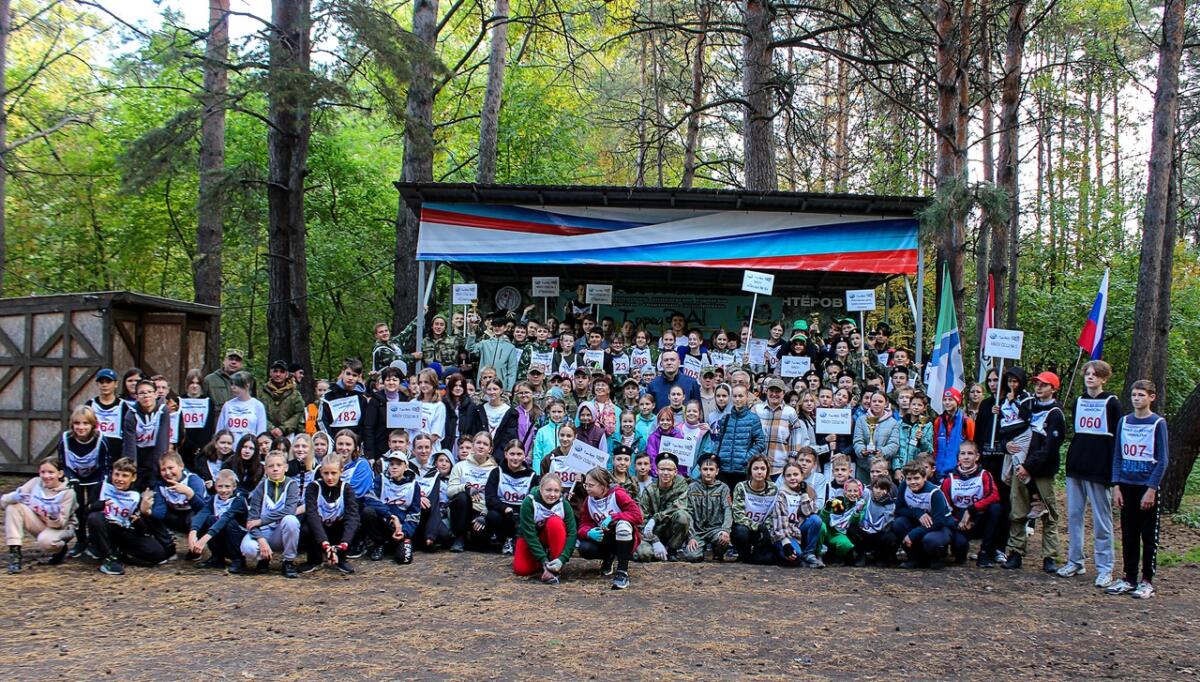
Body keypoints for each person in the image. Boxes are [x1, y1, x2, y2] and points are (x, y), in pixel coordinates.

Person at [1058, 360, 1122, 586]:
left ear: (1104, 379)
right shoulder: (1079, 401)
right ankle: (1075, 560)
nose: (1090, 377)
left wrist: (1115, 475)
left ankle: (1105, 568)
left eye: (1095, 374)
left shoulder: (1112, 403)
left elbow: (1117, 438)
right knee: (1074, 516)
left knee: (1101, 520)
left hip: (1099, 469)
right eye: (1087, 374)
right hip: (1076, 466)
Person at [1106, 380, 1168, 600]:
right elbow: (1117, 456)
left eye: (1141, 395)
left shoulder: (1157, 423)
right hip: (1126, 484)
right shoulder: (1124, 421)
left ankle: (1147, 580)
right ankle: (1128, 577)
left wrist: (1151, 488)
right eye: (1134, 395)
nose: (1136, 399)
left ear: (1151, 397)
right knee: (1128, 534)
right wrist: (1116, 485)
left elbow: (1162, 460)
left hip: (1146, 486)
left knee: (1148, 536)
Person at [1004, 371, 1064, 573]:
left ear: (1053, 389)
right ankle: (1015, 552)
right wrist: (1007, 444)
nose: (1039, 388)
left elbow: (1049, 447)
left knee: (1049, 513)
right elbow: (1012, 427)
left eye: (1044, 385)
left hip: (1041, 471)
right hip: (1019, 465)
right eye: (1037, 384)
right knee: (1018, 510)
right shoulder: (1029, 406)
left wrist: (1028, 466)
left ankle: (1049, 556)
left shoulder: (1056, 414)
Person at [86, 457, 173, 575]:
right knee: (94, 517)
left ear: (133, 477)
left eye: (125, 476)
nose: (119, 479)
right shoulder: (102, 487)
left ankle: (120, 552)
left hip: (125, 531)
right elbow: (86, 511)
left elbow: (143, 530)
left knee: (158, 554)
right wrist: (99, 505)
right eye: (116, 474)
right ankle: (108, 557)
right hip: (105, 527)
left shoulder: (136, 494)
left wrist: (138, 520)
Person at [4, 456, 77, 573]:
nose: (46, 476)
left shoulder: (68, 493)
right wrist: (14, 497)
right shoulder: (35, 483)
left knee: (46, 542)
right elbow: (3, 503)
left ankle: (60, 548)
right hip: (40, 523)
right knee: (13, 507)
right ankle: (15, 553)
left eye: (51, 472)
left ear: (60, 474)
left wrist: (53, 516)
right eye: (43, 472)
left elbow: (61, 523)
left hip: (62, 528)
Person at [576, 467, 643, 590]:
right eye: (586, 485)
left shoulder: (618, 494)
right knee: (584, 548)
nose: (587, 489)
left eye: (591, 485)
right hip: (605, 538)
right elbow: (584, 523)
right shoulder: (589, 500)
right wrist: (588, 532)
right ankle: (608, 557)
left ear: (602, 485)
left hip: (625, 538)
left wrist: (614, 517)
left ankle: (622, 572)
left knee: (623, 526)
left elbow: (638, 516)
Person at [239, 450, 302, 578]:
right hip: (265, 532)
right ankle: (264, 558)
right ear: (265, 469)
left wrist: (262, 520)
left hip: (281, 532)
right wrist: (261, 540)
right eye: (271, 466)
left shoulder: (292, 485)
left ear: (286, 467)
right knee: (247, 548)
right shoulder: (261, 488)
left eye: (279, 465)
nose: (275, 469)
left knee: (291, 520)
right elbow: (252, 520)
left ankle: (288, 561)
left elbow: (290, 510)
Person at [58, 406, 111, 558]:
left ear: (93, 424)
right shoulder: (65, 439)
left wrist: (101, 483)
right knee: (77, 508)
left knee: (93, 509)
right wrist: (71, 477)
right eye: (77, 423)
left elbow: (106, 465)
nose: (81, 427)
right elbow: (62, 463)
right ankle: (81, 540)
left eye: (85, 423)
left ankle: (95, 541)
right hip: (75, 476)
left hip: (95, 476)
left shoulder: (101, 440)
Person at [941, 440, 1003, 567]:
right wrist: (957, 522)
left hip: (978, 518)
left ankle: (985, 553)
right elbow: (944, 506)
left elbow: (994, 496)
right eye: (963, 454)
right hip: (959, 522)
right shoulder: (949, 479)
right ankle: (958, 549)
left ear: (977, 456)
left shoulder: (984, 475)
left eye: (970, 453)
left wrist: (971, 509)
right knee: (959, 551)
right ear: (958, 457)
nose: (966, 457)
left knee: (996, 508)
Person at [300, 453, 360, 574]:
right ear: (321, 472)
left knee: (354, 525)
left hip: (337, 529)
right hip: (320, 530)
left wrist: (345, 543)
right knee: (307, 528)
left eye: (334, 473)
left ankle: (341, 558)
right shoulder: (313, 487)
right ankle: (314, 559)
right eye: (326, 473)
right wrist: (324, 543)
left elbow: (352, 516)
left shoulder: (346, 489)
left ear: (341, 471)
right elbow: (312, 515)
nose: (330, 477)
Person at [514, 473, 576, 583]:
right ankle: (545, 561)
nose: (552, 494)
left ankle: (556, 567)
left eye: (556, 491)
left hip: (549, 536)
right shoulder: (529, 502)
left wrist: (562, 559)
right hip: (532, 538)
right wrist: (543, 561)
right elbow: (529, 535)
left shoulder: (564, 504)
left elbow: (572, 533)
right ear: (541, 489)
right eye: (548, 490)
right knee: (521, 570)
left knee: (555, 522)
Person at [362, 451, 421, 565]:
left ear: (406, 466)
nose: (394, 467)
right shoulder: (381, 479)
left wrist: (403, 531)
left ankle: (397, 543)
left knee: (404, 559)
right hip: (384, 522)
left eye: (398, 464)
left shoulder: (414, 485)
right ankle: (378, 544)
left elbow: (414, 514)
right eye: (392, 464)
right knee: (367, 512)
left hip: (400, 527)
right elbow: (369, 498)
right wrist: (390, 515)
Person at [892, 461, 954, 569]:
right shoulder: (903, 487)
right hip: (919, 521)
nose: (912, 482)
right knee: (899, 523)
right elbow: (899, 509)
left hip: (940, 526)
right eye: (909, 479)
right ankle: (914, 558)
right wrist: (918, 512)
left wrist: (913, 533)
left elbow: (939, 521)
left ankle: (936, 559)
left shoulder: (934, 493)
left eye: (916, 478)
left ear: (924, 478)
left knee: (930, 540)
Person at [447, 431, 499, 552]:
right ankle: (459, 537)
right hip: (462, 509)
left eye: (485, 444)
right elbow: (449, 491)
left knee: (478, 542)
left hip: (481, 511)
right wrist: (466, 488)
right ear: (473, 446)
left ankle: (472, 536)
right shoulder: (460, 466)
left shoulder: (495, 470)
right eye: (478, 442)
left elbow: (495, 497)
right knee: (462, 497)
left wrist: (484, 515)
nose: (481, 446)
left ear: (490, 449)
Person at [484, 440, 538, 556]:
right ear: (506, 454)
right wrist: (504, 508)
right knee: (492, 515)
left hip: (523, 513)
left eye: (519, 454)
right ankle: (505, 540)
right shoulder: (496, 472)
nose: (515, 458)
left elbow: (535, 499)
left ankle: (520, 542)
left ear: (524, 455)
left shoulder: (532, 475)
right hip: (503, 512)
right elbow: (490, 498)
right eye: (512, 454)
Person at [188, 469, 248, 570]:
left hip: (238, 538)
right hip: (221, 535)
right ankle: (217, 558)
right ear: (215, 486)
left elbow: (226, 517)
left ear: (234, 487)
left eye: (227, 486)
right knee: (210, 519)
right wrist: (193, 531)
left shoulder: (239, 500)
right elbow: (202, 513)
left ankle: (238, 559)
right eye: (220, 486)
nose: (223, 490)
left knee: (228, 522)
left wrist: (204, 539)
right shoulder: (214, 499)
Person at [146, 451, 208, 548]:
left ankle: (196, 548)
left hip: (194, 514)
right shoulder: (160, 485)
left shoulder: (193, 480)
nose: (167, 473)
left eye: (171, 468)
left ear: (181, 466)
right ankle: (168, 546)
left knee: (193, 518)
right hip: (176, 515)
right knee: (150, 517)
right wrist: (147, 511)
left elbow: (203, 509)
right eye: (163, 470)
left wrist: (189, 493)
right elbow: (160, 512)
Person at [319, 358, 377, 459]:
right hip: (333, 445)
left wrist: (358, 442)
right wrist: (330, 440)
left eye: (354, 375)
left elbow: (364, 424)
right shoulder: (328, 396)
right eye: (348, 374)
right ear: (342, 373)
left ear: (359, 377)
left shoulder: (362, 398)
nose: (350, 378)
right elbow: (321, 420)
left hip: (354, 447)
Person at [681, 453, 732, 562]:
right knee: (692, 557)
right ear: (700, 470)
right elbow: (688, 513)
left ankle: (717, 551)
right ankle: (699, 550)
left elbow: (728, 509)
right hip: (697, 531)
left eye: (711, 469)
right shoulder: (692, 488)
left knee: (722, 541)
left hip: (716, 529)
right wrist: (691, 536)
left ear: (717, 471)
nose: (708, 473)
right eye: (705, 469)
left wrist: (725, 530)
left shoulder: (723, 488)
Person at [772, 461, 824, 567]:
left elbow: (810, 512)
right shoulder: (781, 494)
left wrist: (804, 493)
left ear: (801, 475)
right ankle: (780, 552)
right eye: (788, 475)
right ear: (784, 478)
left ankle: (809, 553)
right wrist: (786, 543)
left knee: (816, 520)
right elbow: (779, 523)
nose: (792, 478)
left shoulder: (803, 491)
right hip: (784, 534)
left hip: (797, 531)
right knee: (796, 555)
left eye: (796, 474)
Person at [730, 454, 777, 564]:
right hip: (746, 528)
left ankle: (758, 553)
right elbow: (738, 515)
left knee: (768, 560)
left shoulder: (773, 488)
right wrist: (757, 527)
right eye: (756, 468)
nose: (759, 472)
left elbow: (773, 513)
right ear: (750, 470)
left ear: (767, 471)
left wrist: (765, 529)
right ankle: (744, 555)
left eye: (762, 469)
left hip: (765, 530)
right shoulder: (741, 487)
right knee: (740, 531)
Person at [754, 377, 803, 476]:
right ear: (766, 391)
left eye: (778, 391)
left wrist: (792, 460)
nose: (774, 394)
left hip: (780, 467)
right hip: (758, 466)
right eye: (771, 391)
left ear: (783, 393)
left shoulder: (790, 412)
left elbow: (795, 437)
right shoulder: (756, 409)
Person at [847, 476, 899, 566]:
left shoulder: (890, 505)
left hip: (880, 533)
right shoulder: (867, 496)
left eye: (882, 488)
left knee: (891, 537)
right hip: (865, 530)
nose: (878, 491)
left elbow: (887, 525)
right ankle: (861, 555)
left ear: (887, 490)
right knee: (851, 529)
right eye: (876, 487)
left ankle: (881, 556)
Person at [853, 392, 899, 484]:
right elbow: (857, 440)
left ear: (886, 403)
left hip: (883, 468)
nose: (877, 403)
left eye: (880, 401)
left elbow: (894, 444)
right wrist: (862, 450)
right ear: (870, 403)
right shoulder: (861, 420)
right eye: (874, 401)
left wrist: (881, 452)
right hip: (864, 466)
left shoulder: (893, 422)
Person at [467, 314, 520, 391]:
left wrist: (509, 389)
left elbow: (512, 370)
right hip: (483, 384)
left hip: (501, 386)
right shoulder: (484, 343)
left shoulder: (510, 347)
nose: (497, 328)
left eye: (500, 326)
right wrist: (472, 331)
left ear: (505, 328)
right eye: (495, 326)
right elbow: (470, 348)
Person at [820, 478, 866, 566]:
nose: (852, 494)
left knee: (846, 545)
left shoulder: (862, 504)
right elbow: (823, 519)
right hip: (829, 530)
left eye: (855, 491)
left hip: (841, 533)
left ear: (860, 492)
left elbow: (856, 521)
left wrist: (857, 511)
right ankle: (816, 554)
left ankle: (837, 556)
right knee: (820, 526)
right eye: (849, 491)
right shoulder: (838, 501)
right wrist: (826, 509)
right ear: (845, 492)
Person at [932, 388, 975, 478]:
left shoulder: (967, 422)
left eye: (950, 399)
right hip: (939, 471)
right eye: (945, 400)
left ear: (957, 401)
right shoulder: (938, 421)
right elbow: (935, 445)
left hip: (958, 472)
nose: (947, 402)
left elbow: (972, 446)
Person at [475, 378, 518, 458]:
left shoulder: (510, 412)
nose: (492, 392)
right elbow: (475, 431)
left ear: (501, 390)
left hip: (501, 455)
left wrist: (498, 455)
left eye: (495, 389)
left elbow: (510, 436)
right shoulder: (479, 410)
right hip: (481, 453)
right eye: (489, 389)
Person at [262, 360, 306, 439]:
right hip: (266, 435)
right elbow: (258, 413)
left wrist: (282, 429)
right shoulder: (262, 392)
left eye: (282, 372)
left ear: (286, 374)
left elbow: (298, 413)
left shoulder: (295, 394)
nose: (278, 374)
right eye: (275, 371)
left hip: (288, 435)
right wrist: (271, 428)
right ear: (270, 373)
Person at [87, 368, 126, 455]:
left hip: (116, 451)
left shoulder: (123, 405)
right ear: (97, 384)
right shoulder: (90, 404)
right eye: (101, 382)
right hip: (94, 449)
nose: (105, 385)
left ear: (116, 384)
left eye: (108, 382)